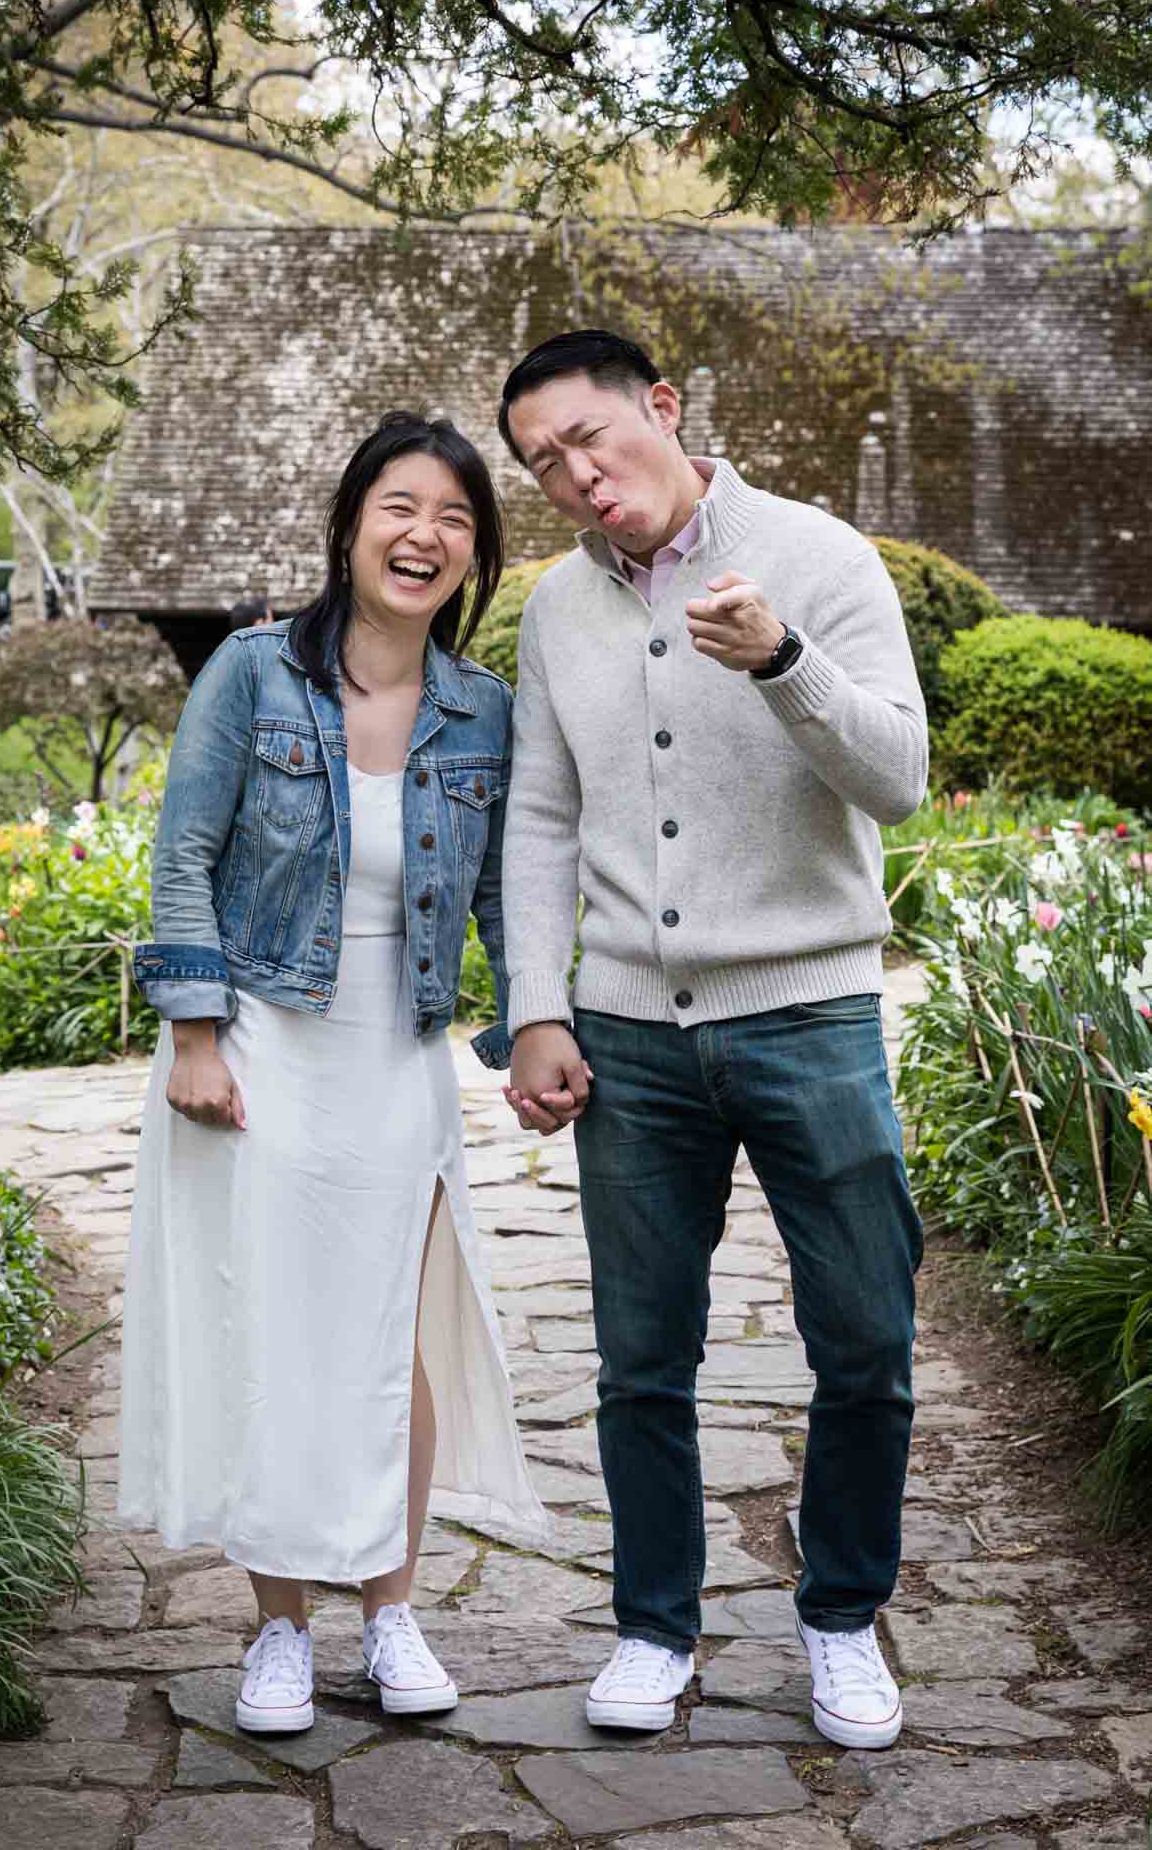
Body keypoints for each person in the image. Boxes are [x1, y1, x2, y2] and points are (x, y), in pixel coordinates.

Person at [496, 329, 927, 1746]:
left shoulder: (820, 559)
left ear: (662, 410)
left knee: (863, 1333)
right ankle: (651, 1628)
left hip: (810, 1010)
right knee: (640, 1355)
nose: (574, 475)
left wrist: (784, 662)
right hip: (630, 1029)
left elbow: (901, 778)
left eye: (588, 440)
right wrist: (538, 1007)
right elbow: (544, 816)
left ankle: (842, 1614)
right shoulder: (555, 610)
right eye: (543, 464)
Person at [120, 412, 545, 1739]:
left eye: (456, 519)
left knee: (387, 1333)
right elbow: (184, 853)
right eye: (401, 508)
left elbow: (498, 896)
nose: (425, 536)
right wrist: (193, 1034)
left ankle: (392, 1607)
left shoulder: (486, 709)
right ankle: (279, 1632)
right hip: (258, 1042)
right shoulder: (252, 675)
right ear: (351, 524)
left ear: (473, 555)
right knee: (275, 1333)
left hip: (397, 1052)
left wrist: (537, 1023)